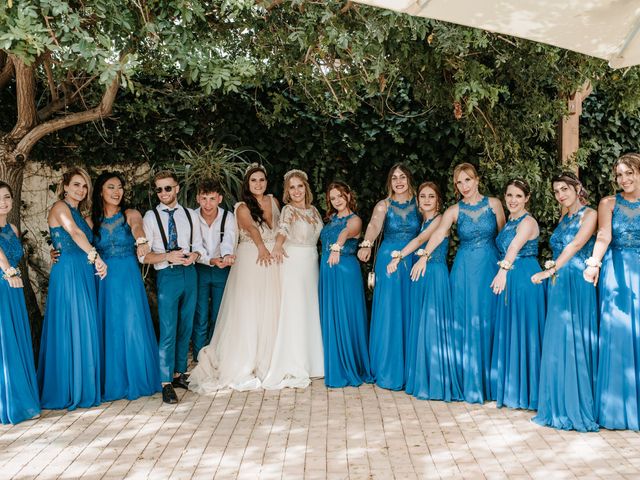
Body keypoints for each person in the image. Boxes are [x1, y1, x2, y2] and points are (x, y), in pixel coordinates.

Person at [189, 163, 281, 392]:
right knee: (247, 308)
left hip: (274, 260)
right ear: (247, 185)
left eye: (261, 180)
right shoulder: (241, 207)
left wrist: (278, 247)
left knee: (271, 307)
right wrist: (261, 247)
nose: (258, 184)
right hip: (253, 256)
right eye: (253, 181)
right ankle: (241, 357)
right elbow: (251, 228)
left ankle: (269, 357)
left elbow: (283, 227)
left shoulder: (275, 201)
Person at [418, 163, 505, 403]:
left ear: (477, 180)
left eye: (467, 180)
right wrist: (424, 255)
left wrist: (507, 269)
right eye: (459, 182)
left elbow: (504, 237)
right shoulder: (454, 210)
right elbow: (439, 233)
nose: (464, 186)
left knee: (489, 319)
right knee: (466, 321)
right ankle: (470, 382)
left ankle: (491, 384)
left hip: (489, 267)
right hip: (464, 270)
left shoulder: (494, 204)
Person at [532, 172, 598, 432]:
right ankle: (557, 403)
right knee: (557, 340)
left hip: (576, 279)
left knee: (575, 340)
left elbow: (576, 244)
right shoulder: (564, 216)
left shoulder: (590, 214)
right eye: (556, 191)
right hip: (559, 281)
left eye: (564, 189)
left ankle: (577, 404)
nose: (560, 195)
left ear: (577, 188)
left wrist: (550, 270)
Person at [38, 167, 106, 410]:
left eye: (84, 185)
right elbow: (74, 233)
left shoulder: (82, 214)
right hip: (68, 273)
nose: (81, 189)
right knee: (70, 325)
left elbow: (86, 234)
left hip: (84, 273)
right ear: (65, 186)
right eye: (76, 184)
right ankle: (68, 387)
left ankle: (85, 384)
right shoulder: (59, 207)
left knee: (85, 325)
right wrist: (95, 257)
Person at [389, 181, 462, 401]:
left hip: (434, 273)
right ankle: (421, 377)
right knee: (420, 324)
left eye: (431, 196)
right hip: (420, 275)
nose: (427, 200)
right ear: (418, 201)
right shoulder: (424, 220)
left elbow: (421, 240)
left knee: (432, 326)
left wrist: (400, 256)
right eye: (423, 196)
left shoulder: (440, 219)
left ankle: (436, 382)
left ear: (438, 200)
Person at [91, 172, 161, 402]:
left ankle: (137, 379)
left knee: (132, 324)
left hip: (128, 277)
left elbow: (137, 227)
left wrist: (141, 240)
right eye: (110, 187)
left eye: (119, 187)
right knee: (109, 327)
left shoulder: (129, 214)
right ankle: (113, 381)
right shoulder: (92, 221)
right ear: (100, 190)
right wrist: (56, 252)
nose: (116, 191)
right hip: (104, 280)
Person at [584, 153, 640, 430]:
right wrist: (594, 263)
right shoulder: (608, 203)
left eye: (629, 173)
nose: (624, 179)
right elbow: (604, 234)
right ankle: (616, 410)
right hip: (616, 271)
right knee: (617, 333)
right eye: (619, 174)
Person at [141, 170, 205, 404]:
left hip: (190, 273)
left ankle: (180, 373)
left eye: (168, 188)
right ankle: (165, 381)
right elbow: (144, 256)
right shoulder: (149, 217)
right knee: (168, 329)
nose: (163, 193)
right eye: (159, 189)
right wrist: (167, 256)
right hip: (167, 276)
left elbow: (199, 244)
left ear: (177, 188)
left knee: (186, 327)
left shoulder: (189, 214)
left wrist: (195, 255)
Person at [357, 163, 422, 390]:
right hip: (389, 262)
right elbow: (375, 224)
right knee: (390, 312)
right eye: (394, 177)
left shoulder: (419, 202)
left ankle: (412, 370)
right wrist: (367, 243)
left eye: (402, 176)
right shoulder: (384, 205)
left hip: (414, 259)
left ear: (409, 179)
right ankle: (388, 369)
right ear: (389, 182)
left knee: (412, 310)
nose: (398, 181)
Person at [263, 169, 324, 389]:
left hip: (311, 262)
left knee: (310, 308)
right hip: (294, 261)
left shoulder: (315, 211)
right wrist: (278, 246)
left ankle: (315, 362)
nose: (296, 191)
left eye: (300, 186)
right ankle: (295, 361)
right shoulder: (288, 210)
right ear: (287, 191)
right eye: (292, 187)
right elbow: (283, 229)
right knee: (295, 309)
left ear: (305, 188)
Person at [489, 179, 545, 410]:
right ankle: (513, 389)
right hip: (511, 277)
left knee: (525, 332)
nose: (513, 200)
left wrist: (502, 271)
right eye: (509, 195)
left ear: (527, 198)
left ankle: (528, 392)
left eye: (518, 196)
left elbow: (513, 247)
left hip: (524, 278)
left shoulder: (528, 222)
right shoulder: (510, 220)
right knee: (511, 331)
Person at [319, 182, 373, 388]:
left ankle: (351, 365)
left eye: (341, 196)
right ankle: (334, 364)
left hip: (345, 271)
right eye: (333, 198)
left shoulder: (355, 219)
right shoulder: (330, 219)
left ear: (349, 196)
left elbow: (345, 233)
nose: (337, 200)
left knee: (346, 316)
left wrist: (336, 248)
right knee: (331, 316)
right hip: (327, 272)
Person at [0, 181, 40, 424]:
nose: (3, 202)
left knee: (17, 340)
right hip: (3, 287)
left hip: (14, 291)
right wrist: (8, 272)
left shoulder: (13, 228)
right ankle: (9, 403)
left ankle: (22, 399)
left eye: (6, 197)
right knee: (5, 344)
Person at [191, 178, 236, 362]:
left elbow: (229, 240)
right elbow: (193, 243)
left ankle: (218, 353)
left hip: (221, 270)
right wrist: (209, 259)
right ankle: (200, 356)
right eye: (204, 198)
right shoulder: (192, 216)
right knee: (200, 313)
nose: (207, 204)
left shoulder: (228, 217)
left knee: (220, 312)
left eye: (211, 198)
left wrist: (226, 257)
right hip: (200, 268)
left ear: (219, 198)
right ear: (197, 199)